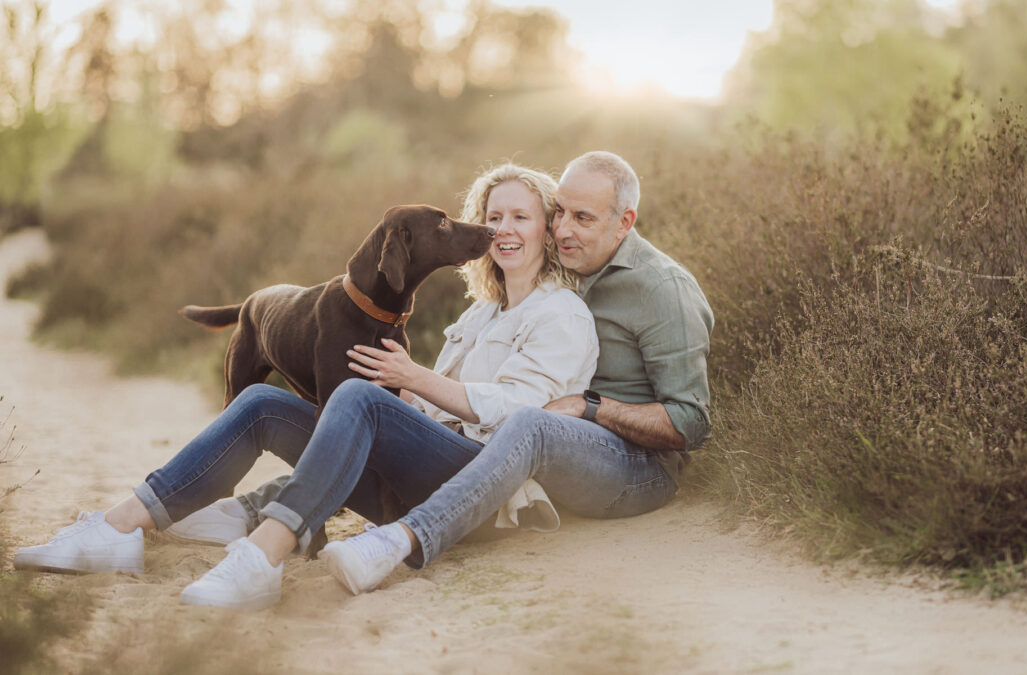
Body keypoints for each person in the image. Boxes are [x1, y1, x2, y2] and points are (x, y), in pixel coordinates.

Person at [13, 163, 599, 610]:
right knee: (264, 402)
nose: (502, 230)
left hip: (475, 488)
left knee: (356, 393)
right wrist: (413, 395)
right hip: (416, 474)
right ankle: (120, 528)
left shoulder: (561, 314)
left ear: (549, 231)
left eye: (520, 217)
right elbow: (425, 402)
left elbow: (524, 418)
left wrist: (409, 380)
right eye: (494, 217)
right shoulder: (479, 315)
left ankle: (265, 554)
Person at [316, 150, 715, 595]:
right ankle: (269, 509)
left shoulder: (663, 289)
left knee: (530, 420)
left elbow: (691, 424)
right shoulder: (567, 266)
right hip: (557, 451)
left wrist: (591, 407)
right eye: (560, 212)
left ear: (624, 223)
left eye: (582, 218)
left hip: (637, 467)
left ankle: (400, 541)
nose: (563, 229)